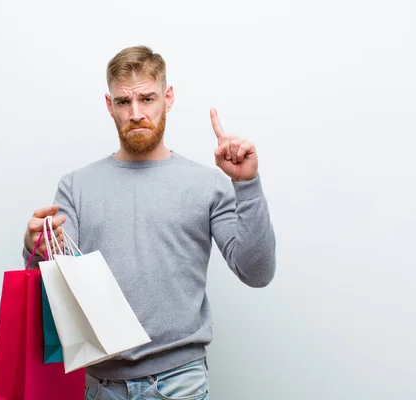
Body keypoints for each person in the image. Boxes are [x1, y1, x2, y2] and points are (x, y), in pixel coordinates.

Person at [23, 45, 276, 400]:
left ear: (167, 97)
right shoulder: (76, 186)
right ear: (109, 106)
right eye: (124, 102)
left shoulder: (207, 182)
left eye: (147, 98)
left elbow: (257, 272)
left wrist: (246, 185)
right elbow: (56, 293)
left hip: (180, 383)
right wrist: (35, 248)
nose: (136, 113)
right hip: (101, 385)